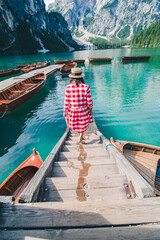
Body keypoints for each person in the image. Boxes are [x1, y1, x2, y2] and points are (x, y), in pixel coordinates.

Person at [63, 67, 93, 144]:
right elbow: (89, 102)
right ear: (81, 77)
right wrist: (90, 110)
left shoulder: (68, 88)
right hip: (83, 110)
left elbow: (66, 101)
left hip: (73, 110)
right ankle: (80, 137)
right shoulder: (86, 87)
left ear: (71, 77)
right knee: (83, 124)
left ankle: (80, 136)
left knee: (77, 124)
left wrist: (65, 111)